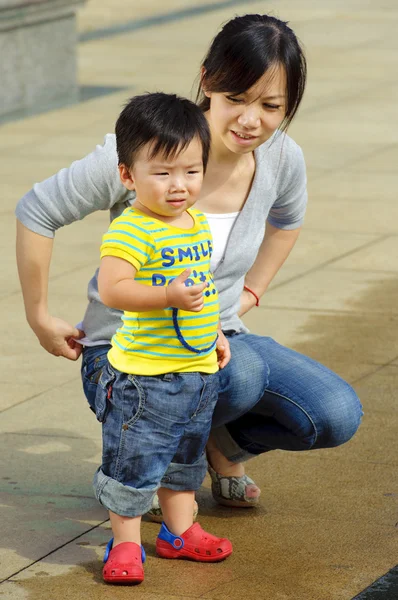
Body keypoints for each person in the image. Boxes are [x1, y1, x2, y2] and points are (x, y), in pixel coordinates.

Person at [15, 14, 362, 518]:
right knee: (240, 376)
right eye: (236, 98)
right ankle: (147, 469)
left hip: (216, 335)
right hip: (129, 353)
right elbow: (37, 210)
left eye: (270, 106)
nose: (251, 121)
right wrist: (39, 315)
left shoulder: (282, 158)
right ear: (207, 79)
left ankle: (216, 448)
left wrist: (251, 294)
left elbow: (287, 222)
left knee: (335, 414)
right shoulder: (145, 147)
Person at [95, 92, 232, 584]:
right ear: (127, 175)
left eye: (191, 171)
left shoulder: (194, 221)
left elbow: (204, 285)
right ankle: (127, 545)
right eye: (163, 173)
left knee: (184, 462)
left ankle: (179, 532)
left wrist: (212, 332)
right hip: (145, 381)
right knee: (133, 464)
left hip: (196, 373)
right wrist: (168, 294)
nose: (180, 186)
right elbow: (112, 288)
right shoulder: (132, 230)